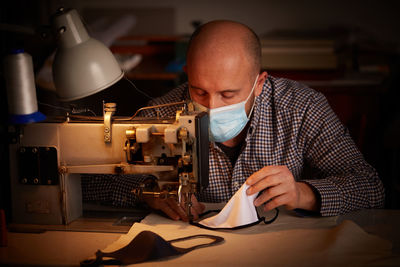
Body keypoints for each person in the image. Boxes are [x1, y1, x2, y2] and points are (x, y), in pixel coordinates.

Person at [142, 20, 385, 221]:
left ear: (258, 83)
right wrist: (148, 192)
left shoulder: (302, 108)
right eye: (200, 92)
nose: (212, 108)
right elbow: (104, 184)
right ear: (188, 74)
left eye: (228, 94)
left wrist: (303, 194)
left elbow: (371, 187)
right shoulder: (160, 114)